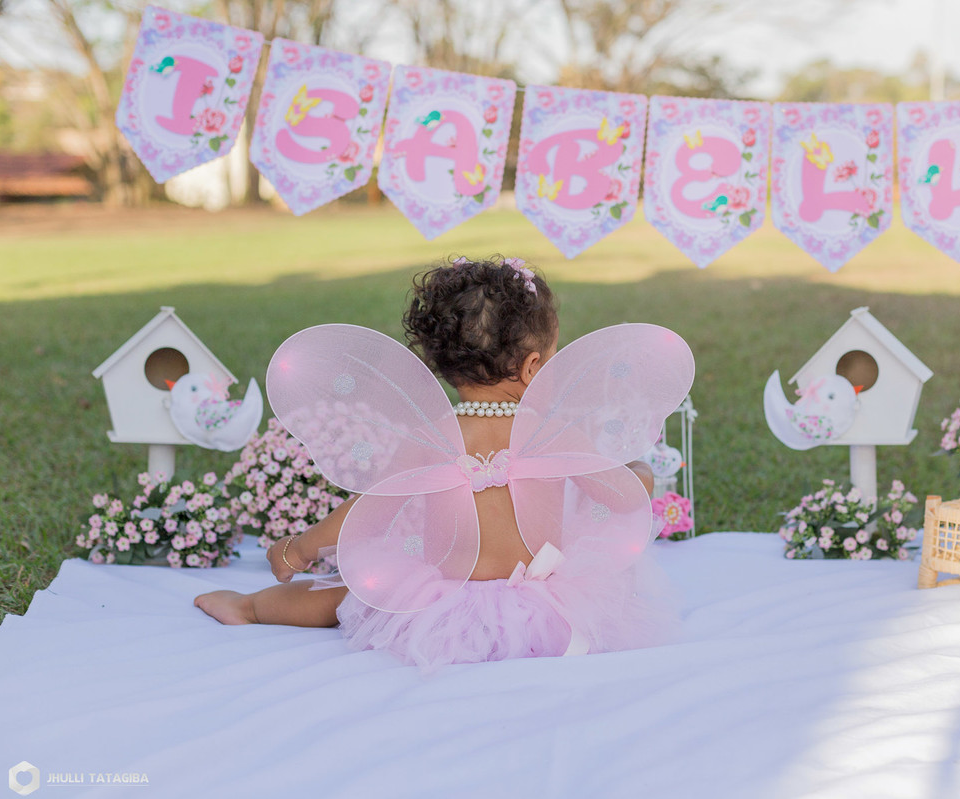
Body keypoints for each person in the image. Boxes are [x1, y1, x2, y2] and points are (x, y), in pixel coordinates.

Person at [195, 256, 683, 669]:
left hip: (444, 602)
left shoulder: (431, 438)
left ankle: (250, 608)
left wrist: (299, 550)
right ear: (533, 367)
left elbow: (368, 513)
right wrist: (638, 469)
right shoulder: (552, 433)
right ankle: (250, 608)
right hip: (546, 602)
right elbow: (625, 496)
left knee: (347, 597)